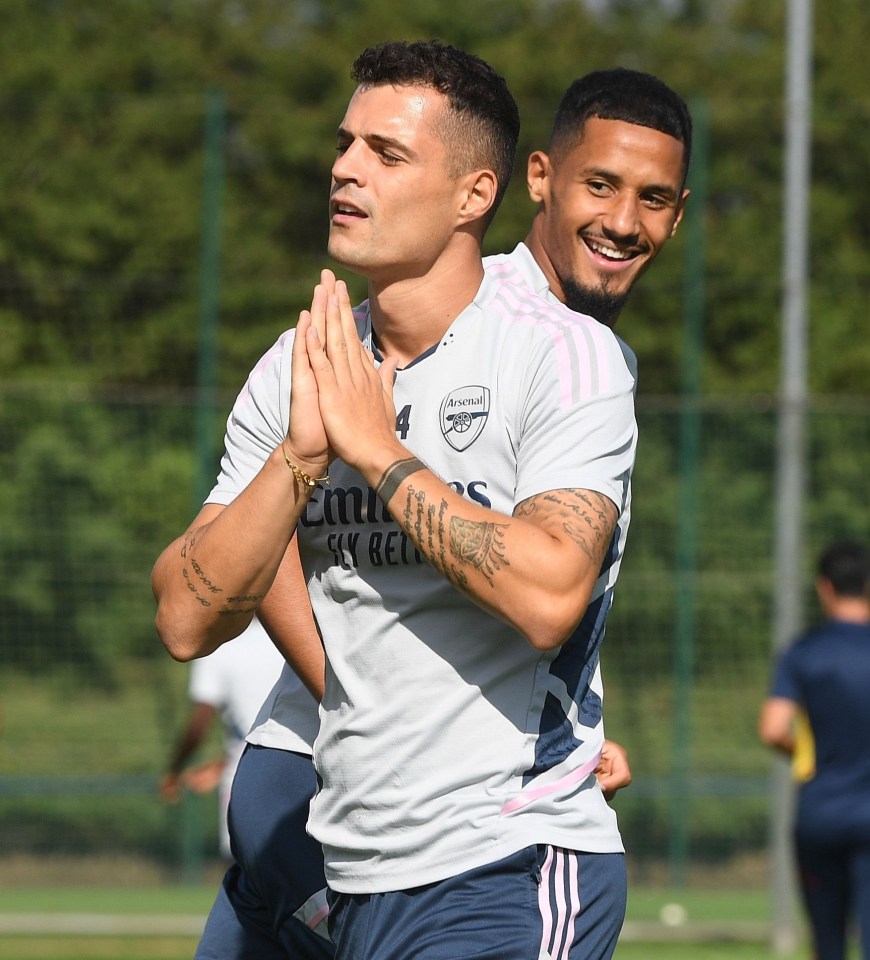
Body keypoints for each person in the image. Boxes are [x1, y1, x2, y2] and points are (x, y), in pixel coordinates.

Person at [154, 53, 692, 960]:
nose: (345, 169)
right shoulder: (307, 359)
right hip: (326, 823)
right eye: (346, 145)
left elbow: (550, 594)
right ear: (535, 183)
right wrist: (301, 456)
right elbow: (184, 614)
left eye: (386, 153)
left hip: (495, 856)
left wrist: (377, 449)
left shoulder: (567, 354)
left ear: (471, 194)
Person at [758, 540, 870, 960]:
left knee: (828, 943)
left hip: (820, 814)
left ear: (824, 588)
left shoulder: (805, 651)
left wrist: (806, 751)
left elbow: (772, 728)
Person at [159, 616, 289, 861]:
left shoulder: (219, 645)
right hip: (303, 762)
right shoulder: (289, 632)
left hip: (247, 772)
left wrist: (174, 771)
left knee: (244, 873)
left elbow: (200, 723)